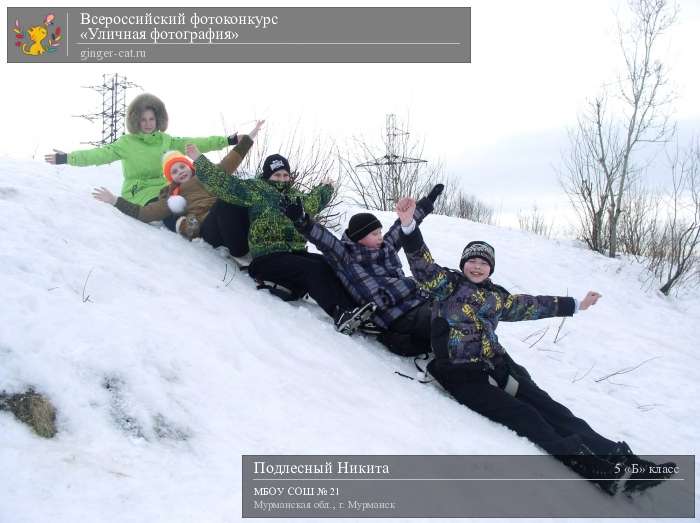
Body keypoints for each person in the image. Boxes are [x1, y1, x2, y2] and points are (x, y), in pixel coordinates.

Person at [396, 197, 676, 496]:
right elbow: (422, 267)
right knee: (526, 417)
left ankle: (622, 459)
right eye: (472, 261)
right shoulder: (446, 286)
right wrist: (409, 226)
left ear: (490, 268)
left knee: (553, 410)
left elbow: (532, 306)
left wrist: (576, 305)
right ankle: (597, 469)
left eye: (483, 262)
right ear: (463, 264)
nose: (477, 267)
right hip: (461, 375)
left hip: (498, 365)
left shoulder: (497, 298)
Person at [191, 149, 373, 330]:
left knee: (329, 263)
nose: (282, 179)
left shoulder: (295, 196)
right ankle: (341, 314)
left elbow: (312, 204)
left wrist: (325, 188)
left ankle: (359, 309)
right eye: (277, 175)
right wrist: (199, 160)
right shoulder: (256, 189)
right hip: (267, 256)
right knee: (313, 268)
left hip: (294, 253)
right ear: (268, 175)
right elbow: (225, 184)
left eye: (285, 175)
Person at [279, 186, 444, 353]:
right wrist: (303, 221)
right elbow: (325, 240)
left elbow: (400, 226)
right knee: (443, 321)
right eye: (374, 234)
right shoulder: (347, 257)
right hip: (396, 315)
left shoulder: (386, 247)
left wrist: (427, 202)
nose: (380, 236)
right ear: (359, 238)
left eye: (380, 232)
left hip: (420, 300)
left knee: (454, 308)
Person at [91, 122, 263, 257]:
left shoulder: (207, 175)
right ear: (170, 177)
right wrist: (115, 200)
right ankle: (240, 252)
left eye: (182, 167)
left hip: (231, 219)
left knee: (247, 199)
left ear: (189, 166)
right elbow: (145, 213)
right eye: (174, 171)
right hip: (210, 227)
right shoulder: (172, 196)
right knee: (225, 202)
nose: (180, 172)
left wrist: (250, 136)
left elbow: (232, 160)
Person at [45, 92, 239, 207]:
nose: (147, 124)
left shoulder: (165, 140)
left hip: (166, 188)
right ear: (136, 120)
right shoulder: (126, 143)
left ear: (158, 119)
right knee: (170, 204)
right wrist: (67, 158)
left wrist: (228, 140)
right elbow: (98, 154)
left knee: (198, 194)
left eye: (151, 119)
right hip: (139, 191)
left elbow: (196, 142)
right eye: (143, 119)